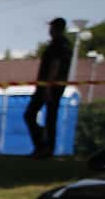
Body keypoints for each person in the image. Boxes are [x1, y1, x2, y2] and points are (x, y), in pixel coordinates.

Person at [23, 17, 72, 158]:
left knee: (31, 114)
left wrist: (48, 88)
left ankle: (43, 146)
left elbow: (54, 66)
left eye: (51, 28)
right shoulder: (65, 44)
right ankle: (46, 146)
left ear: (55, 28)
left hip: (49, 86)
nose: (49, 30)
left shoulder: (58, 44)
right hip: (54, 86)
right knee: (50, 117)